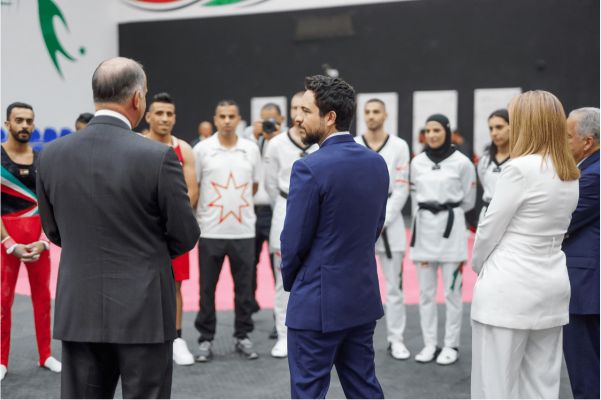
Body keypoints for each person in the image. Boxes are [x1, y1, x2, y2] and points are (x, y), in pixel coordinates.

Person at [37, 57, 200, 399]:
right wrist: (147, 251)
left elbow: (53, 232)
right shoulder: (158, 156)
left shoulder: (51, 154)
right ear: (137, 99)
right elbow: (185, 234)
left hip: (80, 307)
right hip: (145, 313)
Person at [281, 75, 388, 399]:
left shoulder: (308, 168)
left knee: (308, 393)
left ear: (329, 117)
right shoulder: (377, 163)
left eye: (305, 110)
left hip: (316, 302)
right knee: (364, 389)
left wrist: (297, 283)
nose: (297, 118)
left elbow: (293, 242)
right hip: (361, 297)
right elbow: (374, 228)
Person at [470, 91, 580, 399]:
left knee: (495, 385)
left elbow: (489, 228)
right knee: (542, 385)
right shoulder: (570, 172)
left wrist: (480, 266)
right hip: (552, 285)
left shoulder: (519, 168)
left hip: (508, 287)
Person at [193, 100, 261, 362]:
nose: (227, 121)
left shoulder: (251, 149)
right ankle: (205, 339)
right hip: (210, 232)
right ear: (215, 119)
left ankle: (243, 335)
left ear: (239, 119)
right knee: (206, 290)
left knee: (244, 291)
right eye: (222, 116)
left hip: (244, 232)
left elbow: (254, 186)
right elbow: (196, 187)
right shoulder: (202, 150)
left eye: (232, 116)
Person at [1, 102, 62, 381]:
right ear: (7, 124)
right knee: (3, 302)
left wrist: (44, 240)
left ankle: (46, 354)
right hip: (6, 240)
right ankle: (1, 360)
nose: (24, 125)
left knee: (43, 299)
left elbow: (52, 203)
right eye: (19, 120)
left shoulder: (42, 159)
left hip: (38, 238)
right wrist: (9, 243)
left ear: (34, 125)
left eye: (29, 121)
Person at [409, 114, 476, 365]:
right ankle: (429, 344)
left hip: (452, 231)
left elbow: (469, 199)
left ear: (447, 132)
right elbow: (414, 195)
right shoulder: (417, 162)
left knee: (452, 292)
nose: (432, 135)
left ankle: (451, 344)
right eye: (428, 130)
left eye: (437, 130)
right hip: (424, 231)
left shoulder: (462, 162)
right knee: (426, 294)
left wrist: (448, 210)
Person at [144, 92, 199, 366]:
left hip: (173, 231)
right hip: (142, 231)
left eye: (169, 114)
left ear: (174, 118)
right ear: (148, 116)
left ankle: (176, 339)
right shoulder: (136, 144)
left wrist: (171, 225)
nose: (164, 118)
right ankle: (144, 337)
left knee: (175, 285)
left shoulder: (183, 148)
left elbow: (192, 191)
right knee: (142, 284)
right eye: (159, 113)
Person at [355, 99, 411, 360]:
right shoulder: (354, 144)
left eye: (376, 111)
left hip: (391, 223)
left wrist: (383, 220)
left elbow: (402, 187)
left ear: (386, 115)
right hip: (360, 224)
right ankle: (356, 341)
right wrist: (368, 220)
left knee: (394, 288)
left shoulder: (399, 145)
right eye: (367, 112)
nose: (371, 116)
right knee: (357, 286)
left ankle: (396, 339)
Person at [263, 91, 318, 358]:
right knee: (283, 280)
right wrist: (289, 205)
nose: (299, 114)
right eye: (296, 108)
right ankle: (283, 336)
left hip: (317, 214)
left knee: (315, 275)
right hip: (285, 210)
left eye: (305, 109)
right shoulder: (276, 144)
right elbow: (270, 185)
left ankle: (313, 333)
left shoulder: (320, 141)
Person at [563, 107, 599, 399]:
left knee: (585, 375)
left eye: (567, 136)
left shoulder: (593, 175)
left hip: (585, 288)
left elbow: (562, 223)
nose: (561, 143)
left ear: (587, 142)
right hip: (586, 283)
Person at [477, 109, 510, 222]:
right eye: (491, 128)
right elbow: (483, 183)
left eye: (499, 127)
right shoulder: (484, 159)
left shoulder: (520, 159)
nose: (494, 133)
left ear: (512, 127)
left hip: (512, 216)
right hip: (487, 214)